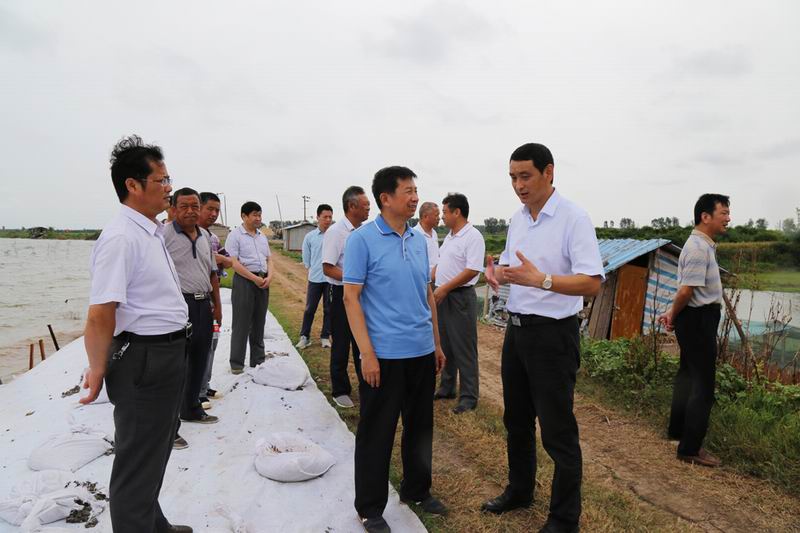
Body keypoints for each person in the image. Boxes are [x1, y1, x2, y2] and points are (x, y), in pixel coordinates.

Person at [482, 143, 604, 533]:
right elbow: (512, 268)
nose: (519, 185)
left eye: (526, 176)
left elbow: (592, 282)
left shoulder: (573, 218)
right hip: (517, 332)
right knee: (516, 420)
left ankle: (564, 519)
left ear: (548, 172)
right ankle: (520, 490)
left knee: (557, 430)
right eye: (513, 178)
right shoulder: (517, 220)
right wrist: (497, 274)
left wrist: (543, 280)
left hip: (553, 337)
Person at [80, 134, 193, 533]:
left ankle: (155, 525)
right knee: (137, 461)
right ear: (133, 184)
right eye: (161, 180)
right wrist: (97, 369)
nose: (168, 187)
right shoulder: (121, 237)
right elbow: (100, 314)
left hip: (166, 354)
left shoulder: (149, 231)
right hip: (144, 359)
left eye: (168, 179)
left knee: (155, 451)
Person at [344, 166, 447, 533]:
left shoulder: (419, 240)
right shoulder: (362, 240)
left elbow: (427, 294)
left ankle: (417, 489)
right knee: (377, 432)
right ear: (385, 198)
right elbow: (351, 298)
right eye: (408, 191)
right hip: (384, 355)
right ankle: (369, 507)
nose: (415, 197)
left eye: (416, 190)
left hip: (420, 351)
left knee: (420, 427)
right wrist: (367, 353)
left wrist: (436, 343)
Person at [659, 194, 730, 468]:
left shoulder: (701, 245)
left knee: (687, 376)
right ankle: (690, 448)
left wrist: (673, 314)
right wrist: (673, 314)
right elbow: (686, 291)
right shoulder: (699, 248)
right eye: (723, 213)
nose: (728, 218)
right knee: (703, 385)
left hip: (694, 317)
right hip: (699, 319)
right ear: (705, 216)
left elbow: (686, 291)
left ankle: (678, 432)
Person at [164, 188, 220, 432]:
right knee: (177, 364)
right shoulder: (164, 235)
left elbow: (212, 273)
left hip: (203, 304)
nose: (190, 211)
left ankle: (191, 408)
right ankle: (170, 426)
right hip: (178, 305)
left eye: (195, 206)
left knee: (199, 358)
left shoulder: (206, 236)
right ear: (173, 209)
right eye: (184, 206)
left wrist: (217, 306)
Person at [432, 193, 485, 414]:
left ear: (457, 212)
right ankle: (447, 387)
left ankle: (469, 397)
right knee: (446, 344)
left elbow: (472, 270)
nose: (442, 216)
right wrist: (430, 279)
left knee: (464, 347)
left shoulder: (473, 236)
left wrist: (445, 287)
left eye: (445, 212)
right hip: (443, 295)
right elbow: (441, 264)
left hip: (459, 297)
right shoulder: (451, 237)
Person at [321, 186, 370, 408]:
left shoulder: (364, 232)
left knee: (363, 340)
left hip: (361, 293)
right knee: (341, 342)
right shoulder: (336, 232)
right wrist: (354, 279)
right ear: (352, 206)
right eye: (365, 205)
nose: (368, 209)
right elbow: (328, 268)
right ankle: (340, 390)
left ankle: (366, 384)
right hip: (341, 292)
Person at [226, 201, 274, 374]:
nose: (258, 218)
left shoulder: (262, 236)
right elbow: (233, 262)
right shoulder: (235, 235)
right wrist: (254, 278)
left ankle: (258, 360)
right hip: (245, 281)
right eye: (254, 215)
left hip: (263, 281)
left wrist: (269, 276)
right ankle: (237, 363)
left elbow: (269, 259)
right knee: (242, 323)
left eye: (259, 215)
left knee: (259, 322)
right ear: (243, 216)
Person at [197, 192, 232, 408]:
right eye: (209, 209)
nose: (213, 214)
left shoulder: (213, 238)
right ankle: (196, 391)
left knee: (212, 342)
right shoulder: (190, 236)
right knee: (199, 346)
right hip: (197, 299)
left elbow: (228, 261)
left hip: (213, 298)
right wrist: (216, 258)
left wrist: (217, 258)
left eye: (216, 210)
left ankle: (204, 385)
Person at [296, 204, 334, 350]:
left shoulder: (335, 235)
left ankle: (325, 336)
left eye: (330, 217)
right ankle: (304, 337)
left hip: (331, 280)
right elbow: (306, 259)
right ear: (318, 217)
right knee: (309, 309)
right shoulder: (310, 237)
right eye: (325, 217)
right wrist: (314, 268)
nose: (328, 220)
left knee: (329, 310)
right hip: (315, 279)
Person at [412, 201, 440, 280]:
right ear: (425, 216)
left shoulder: (434, 233)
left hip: (437, 279)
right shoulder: (413, 234)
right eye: (436, 215)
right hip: (424, 280)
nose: (439, 218)